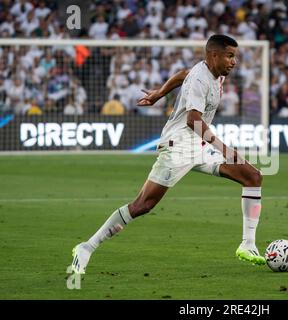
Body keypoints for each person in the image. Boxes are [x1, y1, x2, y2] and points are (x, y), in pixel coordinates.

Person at [71, 34, 265, 275]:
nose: (234, 61)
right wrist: (225, 149)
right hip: (178, 146)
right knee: (143, 204)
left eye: (234, 56)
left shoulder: (214, 73)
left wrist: (159, 93)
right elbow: (193, 120)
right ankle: (86, 247)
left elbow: (183, 73)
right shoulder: (200, 80)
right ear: (213, 55)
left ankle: (248, 245)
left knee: (253, 176)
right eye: (229, 56)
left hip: (199, 146)